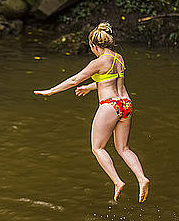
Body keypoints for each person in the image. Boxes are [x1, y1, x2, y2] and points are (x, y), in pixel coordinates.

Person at [34, 22, 150, 203]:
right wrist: (89, 87)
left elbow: (74, 80)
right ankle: (141, 178)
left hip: (109, 106)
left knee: (97, 148)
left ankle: (117, 182)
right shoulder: (119, 58)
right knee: (123, 148)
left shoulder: (98, 62)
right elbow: (108, 81)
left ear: (94, 46)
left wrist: (50, 91)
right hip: (125, 104)